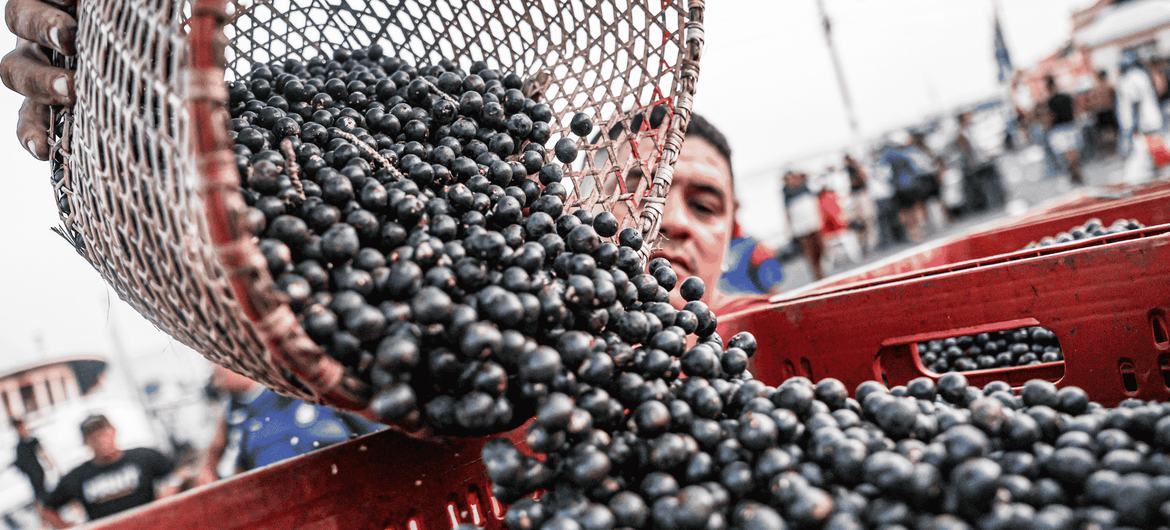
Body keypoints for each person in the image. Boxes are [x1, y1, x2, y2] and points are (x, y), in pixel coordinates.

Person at [197, 365, 383, 484]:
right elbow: (230, 464)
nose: (216, 372)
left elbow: (373, 430)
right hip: (287, 502)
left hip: (346, 483)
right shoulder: (233, 415)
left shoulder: (297, 385)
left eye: (221, 367)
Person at [41, 415, 182, 527]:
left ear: (113, 431)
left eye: (103, 433)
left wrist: (167, 496)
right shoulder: (77, 476)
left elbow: (176, 473)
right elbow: (46, 509)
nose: (101, 440)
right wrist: (67, 526)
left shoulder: (143, 456)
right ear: (86, 442)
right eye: (94, 437)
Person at [1116, 51, 1166, 185]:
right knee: (1154, 154)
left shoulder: (1129, 79)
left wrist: (1133, 127)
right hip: (1152, 120)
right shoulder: (1143, 75)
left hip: (1142, 124)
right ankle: (1159, 179)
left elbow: (1134, 103)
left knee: (1138, 165)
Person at [955, 112, 1006, 213]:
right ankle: (994, 205)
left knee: (994, 182)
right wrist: (972, 164)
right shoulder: (961, 134)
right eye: (967, 116)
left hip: (985, 159)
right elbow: (966, 151)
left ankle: (1000, 202)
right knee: (986, 185)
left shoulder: (973, 129)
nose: (970, 117)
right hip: (977, 163)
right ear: (962, 119)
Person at [782, 170, 825, 281]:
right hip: (800, 225)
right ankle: (816, 273)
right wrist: (789, 229)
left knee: (819, 246)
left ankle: (819, 268)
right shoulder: (786, 193)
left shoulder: (806, 187)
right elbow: (787, 212)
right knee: (808, 249)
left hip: (812, 221)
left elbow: (818, 191)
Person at [1043, 75, 1084, 185]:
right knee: (1073, 150)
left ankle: (1074, 172)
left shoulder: (1050, 101)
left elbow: (1050, 116)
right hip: (1071, 125)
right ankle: (1076, 171)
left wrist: (1047, 127)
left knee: (1067, 153)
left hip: (1059, 129)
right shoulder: (1067, 97)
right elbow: (1076, 109)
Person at [11, 417, 54, 515]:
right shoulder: (19, 446)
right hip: (31, 474)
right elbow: (20, 462)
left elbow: (42, 452)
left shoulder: (33, 440)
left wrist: (50, 463)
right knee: (39, 496)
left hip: (39, 471)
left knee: (44, 495)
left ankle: (49, 515)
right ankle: (45, 518)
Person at [843, 153, 876, 251]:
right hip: (856, 196)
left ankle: (870, 242)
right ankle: (863, 243)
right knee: (860, 221)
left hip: (861, 195)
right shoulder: (848, 170)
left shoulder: (855, 168)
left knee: (867, 218)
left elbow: (863, 179)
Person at [1085, 70, 1118, 158]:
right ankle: (1113, 150)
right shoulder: (1109, 86)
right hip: (1108, 110)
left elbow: (1091, 102)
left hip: (1100, 111)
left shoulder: (1095, 88)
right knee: (1112, 131)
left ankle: (1110, 151)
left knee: (1104, 133)